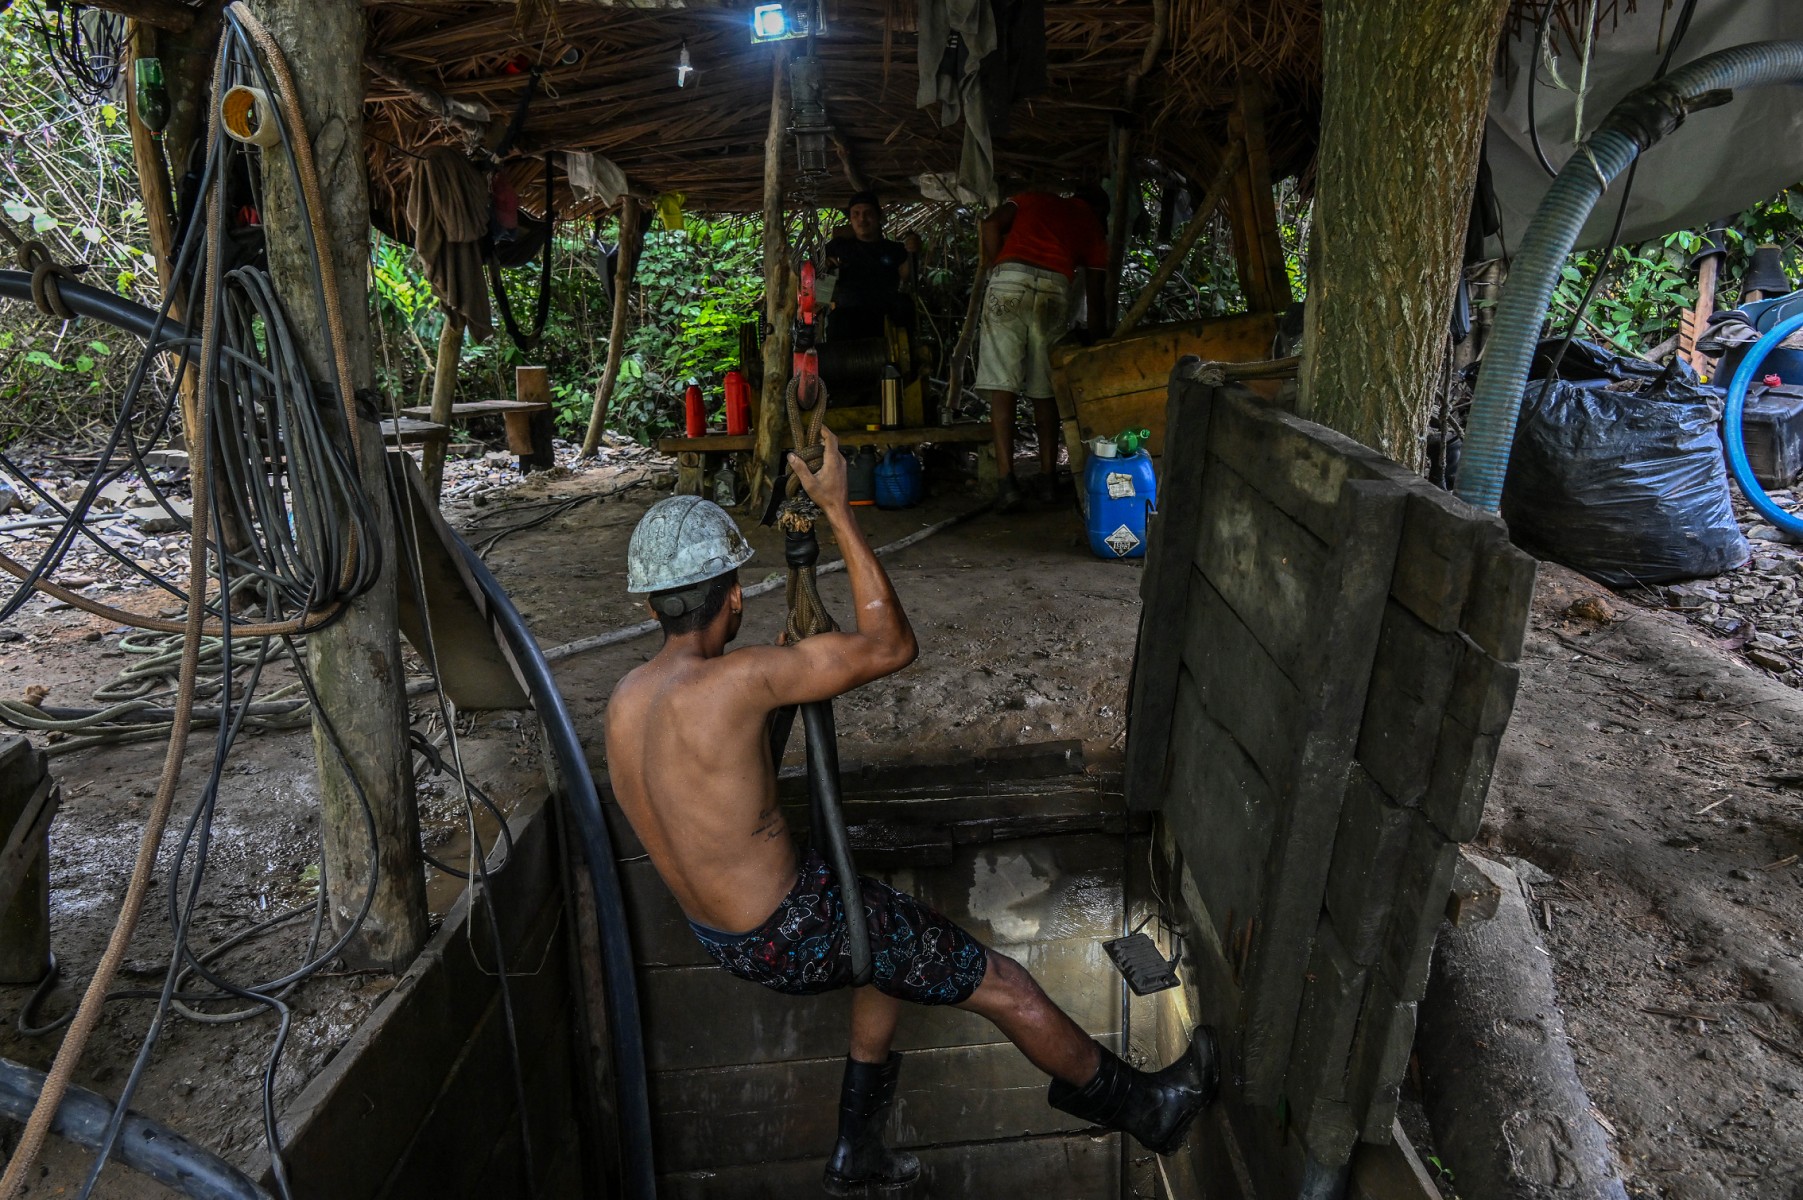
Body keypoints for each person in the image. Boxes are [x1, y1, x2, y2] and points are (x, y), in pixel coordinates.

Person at [605, 434, 1217, 1194]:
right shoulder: (745, 680)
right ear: (732, 595)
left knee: (884, 956)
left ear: (648, 602)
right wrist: (835, 509)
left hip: (724, 940)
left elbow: (727, 774)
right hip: (796, 928)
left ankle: (854, 1152)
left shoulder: (626, 702)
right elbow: (892, 645)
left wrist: (784, 675)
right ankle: (1147, 1107)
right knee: (1005, 984)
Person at [976, 185, 1110, 509]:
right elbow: (1095, 297)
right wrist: (1096, 339)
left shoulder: (1032, 198)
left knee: (1002, 387)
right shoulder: (1093, 227)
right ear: (1100, 211)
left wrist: (997, 266)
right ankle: (1049, 480)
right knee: (1044, 390)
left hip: (1008, 281)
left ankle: (1008, 483)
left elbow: (989, 224)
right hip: (1053, 290)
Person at [824, 191, 913, 341]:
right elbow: (810, 274)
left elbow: (906, 275)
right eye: (856, 214)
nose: (862, 219)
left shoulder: (894, 249)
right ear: (850, 219)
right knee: (837, 322)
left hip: (886, 314)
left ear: (879, 216)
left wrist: (913, 251)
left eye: (868, 213)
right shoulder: (838, 247)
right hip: (848, 316)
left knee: (904, 307)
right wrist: (824, 265)